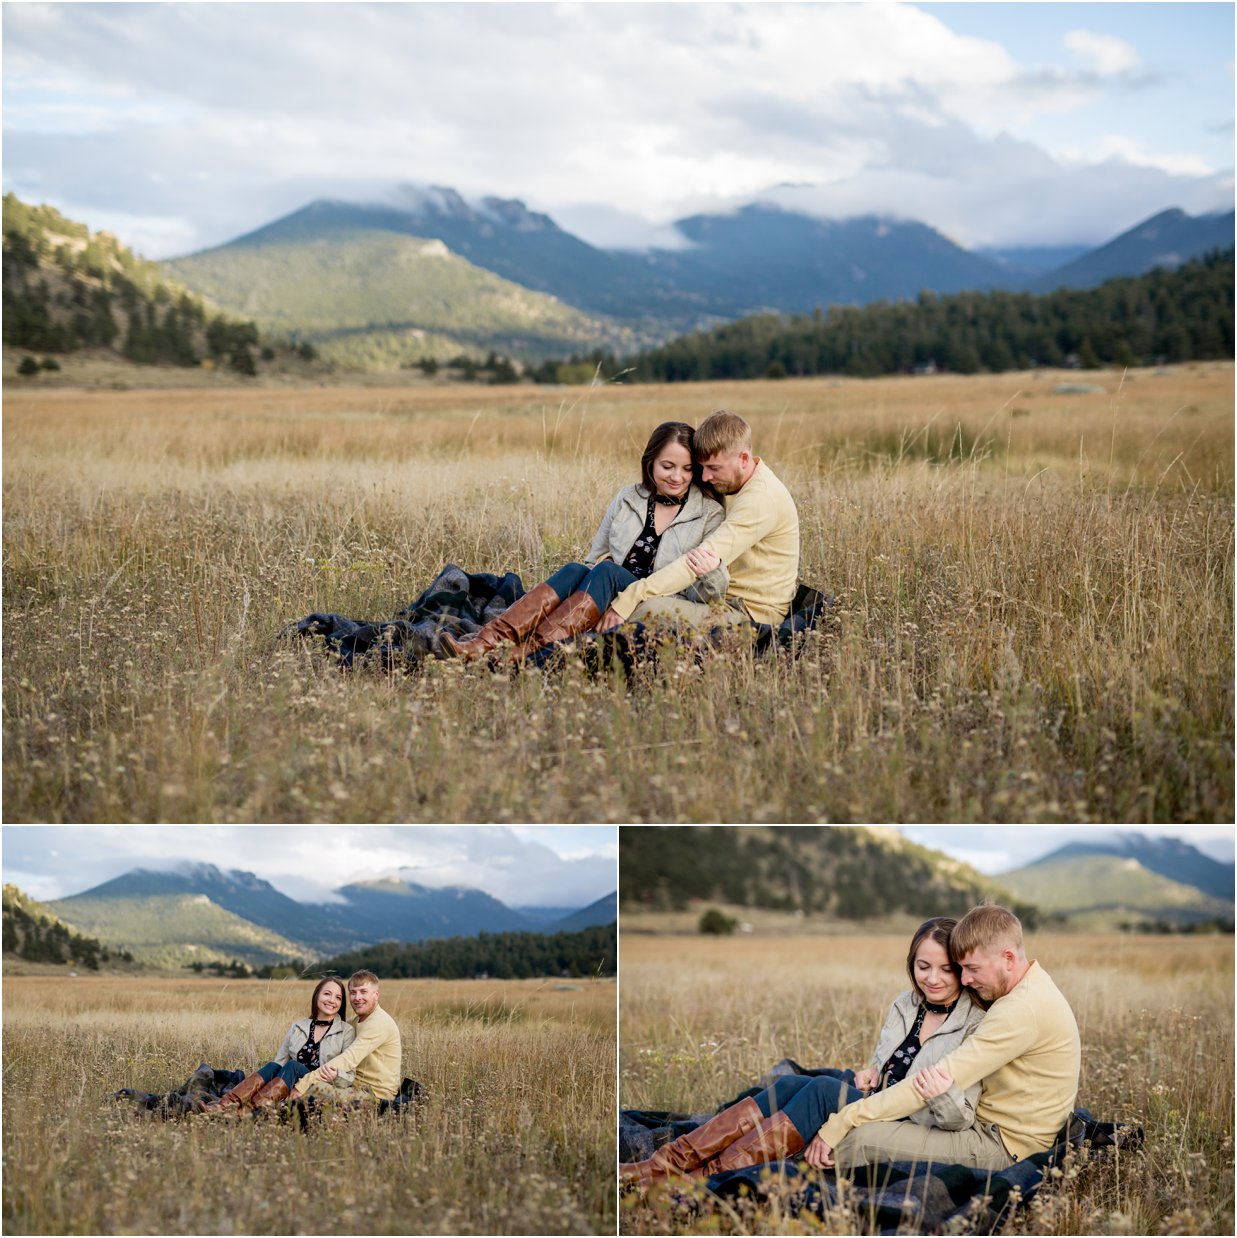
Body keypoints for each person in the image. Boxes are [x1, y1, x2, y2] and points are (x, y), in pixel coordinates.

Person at [620, 916, 986, 1183]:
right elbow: (882, 1065)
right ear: (912, 965)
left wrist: (938, 1091)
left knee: (822, 1089)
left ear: (963, 972)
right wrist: (872, 1072)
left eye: (945, 970)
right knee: (793, 1085)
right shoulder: (906, 1005)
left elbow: (959, 1118)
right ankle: (664, 1164)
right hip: (878, 1100)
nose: (932, 978)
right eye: (923, 966)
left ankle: (704, 1179)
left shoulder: (973, 1024)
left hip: (913, 1119)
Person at [805, 903, 1081, 1174]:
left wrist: (843, 1121)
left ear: (1008, 958)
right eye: (961, 969)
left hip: (1006, 1145)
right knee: (820, 1095)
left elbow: (931, 1081)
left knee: (861, 1140)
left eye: (972, 968)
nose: (965, 980)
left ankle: (787, 1175)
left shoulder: (1020, 1009)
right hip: (985, 1127)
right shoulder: (1032, 985)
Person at [441, 420, 728, 661]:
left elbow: (705, 594)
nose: (678, 476)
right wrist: (597, 594)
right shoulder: (629, 498)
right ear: (650, 462)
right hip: (607, 592)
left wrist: (712, 569)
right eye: (668, 466)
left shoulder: (708, 514)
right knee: (576, 570)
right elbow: (594, 558)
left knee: (607, 571)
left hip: (654, 600)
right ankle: (484, 642)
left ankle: (529, 653)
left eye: (688, 469)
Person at [600, 409, 799, 636]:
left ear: (743, 459)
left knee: (645, 608)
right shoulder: (738, 484)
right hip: (714, 596)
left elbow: (694, 562)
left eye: (714, 468)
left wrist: (633, 595)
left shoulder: (760, 500)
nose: (704, 478)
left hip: (749, 612)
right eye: (701, 468)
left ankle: (576, 650)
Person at [202, 976, 356, 1115]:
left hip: (318, 1085)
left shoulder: (346, 1031)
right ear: (317, 996)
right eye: (327, 994)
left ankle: (249, 1110)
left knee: (293, 1066)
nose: (332, 1000)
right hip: (288, 1083)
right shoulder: (298, 1027)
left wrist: (336, 1076)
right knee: (273, 1065)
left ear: (341, 1003)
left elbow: (349, 1077)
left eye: (338, 997)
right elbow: (279, 1063)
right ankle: (225, 1105)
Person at [292, 969, 403, 1103]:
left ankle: (278, 1110)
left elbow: (348, 1059)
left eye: (363, 992)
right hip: (352, 1086)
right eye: (353, 992)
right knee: (296, 1075)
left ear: (376, 995)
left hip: (375, 1094)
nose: (357, 998)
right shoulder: (356, 1022)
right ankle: (267, 1104)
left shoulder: (378, 1023)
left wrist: (304, 1084)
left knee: (316, 1088)